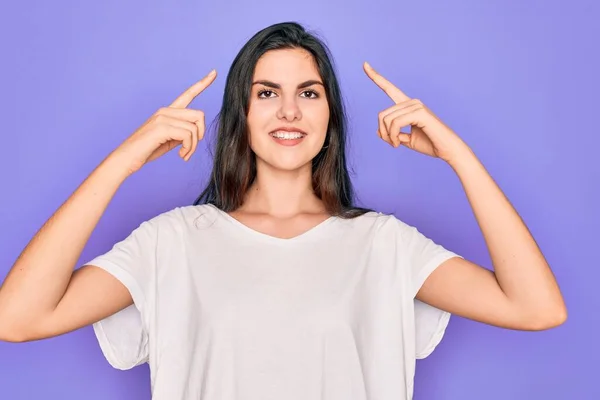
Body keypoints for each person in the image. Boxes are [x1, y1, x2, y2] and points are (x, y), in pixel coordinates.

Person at [0, 21, 566, 400]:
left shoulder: (385, 245)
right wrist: (123, 160)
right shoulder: (170, 242)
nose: (289, 111)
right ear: (240, 115)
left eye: (310, 92)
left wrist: (457, 155)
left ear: (330, 115)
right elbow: (16, 318)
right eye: (267, 93)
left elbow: (536, 307)